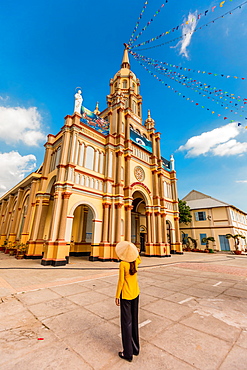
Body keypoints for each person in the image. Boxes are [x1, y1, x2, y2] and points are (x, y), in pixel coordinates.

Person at [115, 241, 141, 362]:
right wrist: (136, 253)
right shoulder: (136, 261)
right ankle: (135, 348)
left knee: (126, 323)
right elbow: (138, 258)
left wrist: (117, 296)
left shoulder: (123, 264)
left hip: (126, 295)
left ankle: (127, 353)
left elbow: (121, 281)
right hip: (136, 293)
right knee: (134, 321)